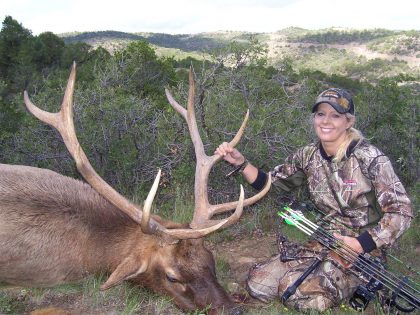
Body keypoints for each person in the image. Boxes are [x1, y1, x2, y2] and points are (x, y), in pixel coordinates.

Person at [215, 88, 413, 312]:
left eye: (335, 115)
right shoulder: (308, 155)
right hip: (323, 242)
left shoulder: (371, 158)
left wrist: (361, 244)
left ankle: (358, 286)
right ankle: (324, 279)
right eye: (320, 114)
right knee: (259, 283)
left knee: (295, 293)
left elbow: (401, 213)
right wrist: (241, 163)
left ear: (349, 122)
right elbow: (272, 184)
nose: (326, 121)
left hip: (361, 253)